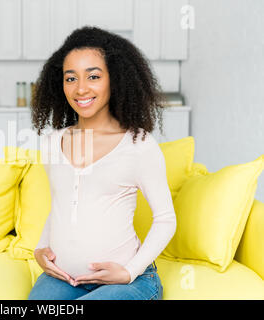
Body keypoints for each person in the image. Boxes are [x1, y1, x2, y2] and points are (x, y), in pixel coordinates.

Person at [27, 26, 177, 300]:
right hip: (66, 279)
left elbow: (165, 220)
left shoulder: (138, 145)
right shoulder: (52, 142)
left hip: (127, 282)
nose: (81, 88)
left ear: (115, 80)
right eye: (70, 78)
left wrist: (129, 272)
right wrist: (40, 249)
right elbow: (62, 204)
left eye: (93, 76)